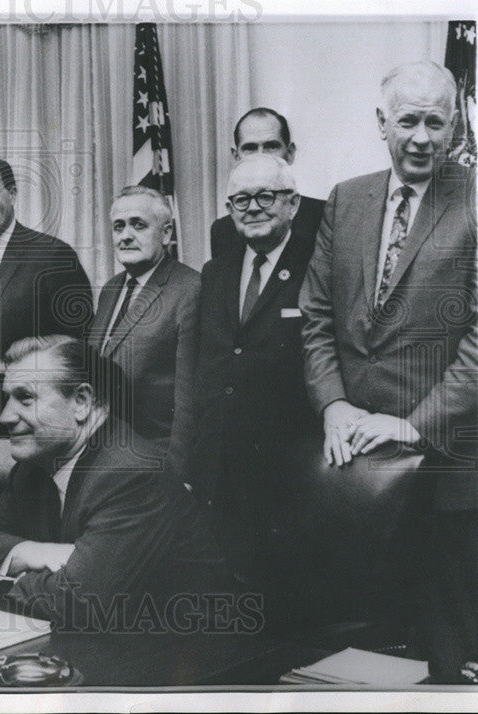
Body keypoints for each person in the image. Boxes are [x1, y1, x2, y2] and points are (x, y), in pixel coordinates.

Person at [300, 61, 478, 683]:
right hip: (352, 471)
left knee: (445, 655)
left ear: (454, 124)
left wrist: (414, 424)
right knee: (361, 655)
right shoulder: (347, 199)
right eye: (409, 121)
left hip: (445, 476)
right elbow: (316, 315)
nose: (424, 137)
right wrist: (333, 405)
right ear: (383, 124)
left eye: (437, 121)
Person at [0, 336, 224, 627]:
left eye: (25, 398)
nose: (5, 416)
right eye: (7, 398)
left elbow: (79, 602)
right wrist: (33, 553)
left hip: (187, 653)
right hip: (103, 643)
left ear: (81, 402)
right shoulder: (34, 467)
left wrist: (1, 579)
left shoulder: (131, 474)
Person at [180, 155, 317, 602]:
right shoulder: (215, 271)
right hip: (215, 468)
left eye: (265, 196)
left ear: (292, 204)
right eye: (240, 199)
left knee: (280, 604)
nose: (252, 207)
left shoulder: (318, 265)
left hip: (285, 470)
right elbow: (206, 364)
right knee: (215, 597)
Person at [0, 153, 94, 369]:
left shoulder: (53, 255)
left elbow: (78, 344)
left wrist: (8, 364)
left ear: (12, 194)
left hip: (27, 398)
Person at [87, 186, 199, 453]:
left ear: (167, 233)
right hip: (103, 451)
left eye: (138, 225)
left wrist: (177, 476)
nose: (126, 236)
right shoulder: (111, 289)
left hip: (153, 458)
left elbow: (189, 401)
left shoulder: (190, 288)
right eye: (118, 227)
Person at [209, 108, 325, 257]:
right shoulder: (223, 230)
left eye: (271, 146)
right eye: (250, 148)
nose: (261, 156)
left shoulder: (323, 218)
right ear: (236, 157)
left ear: (290, 153)